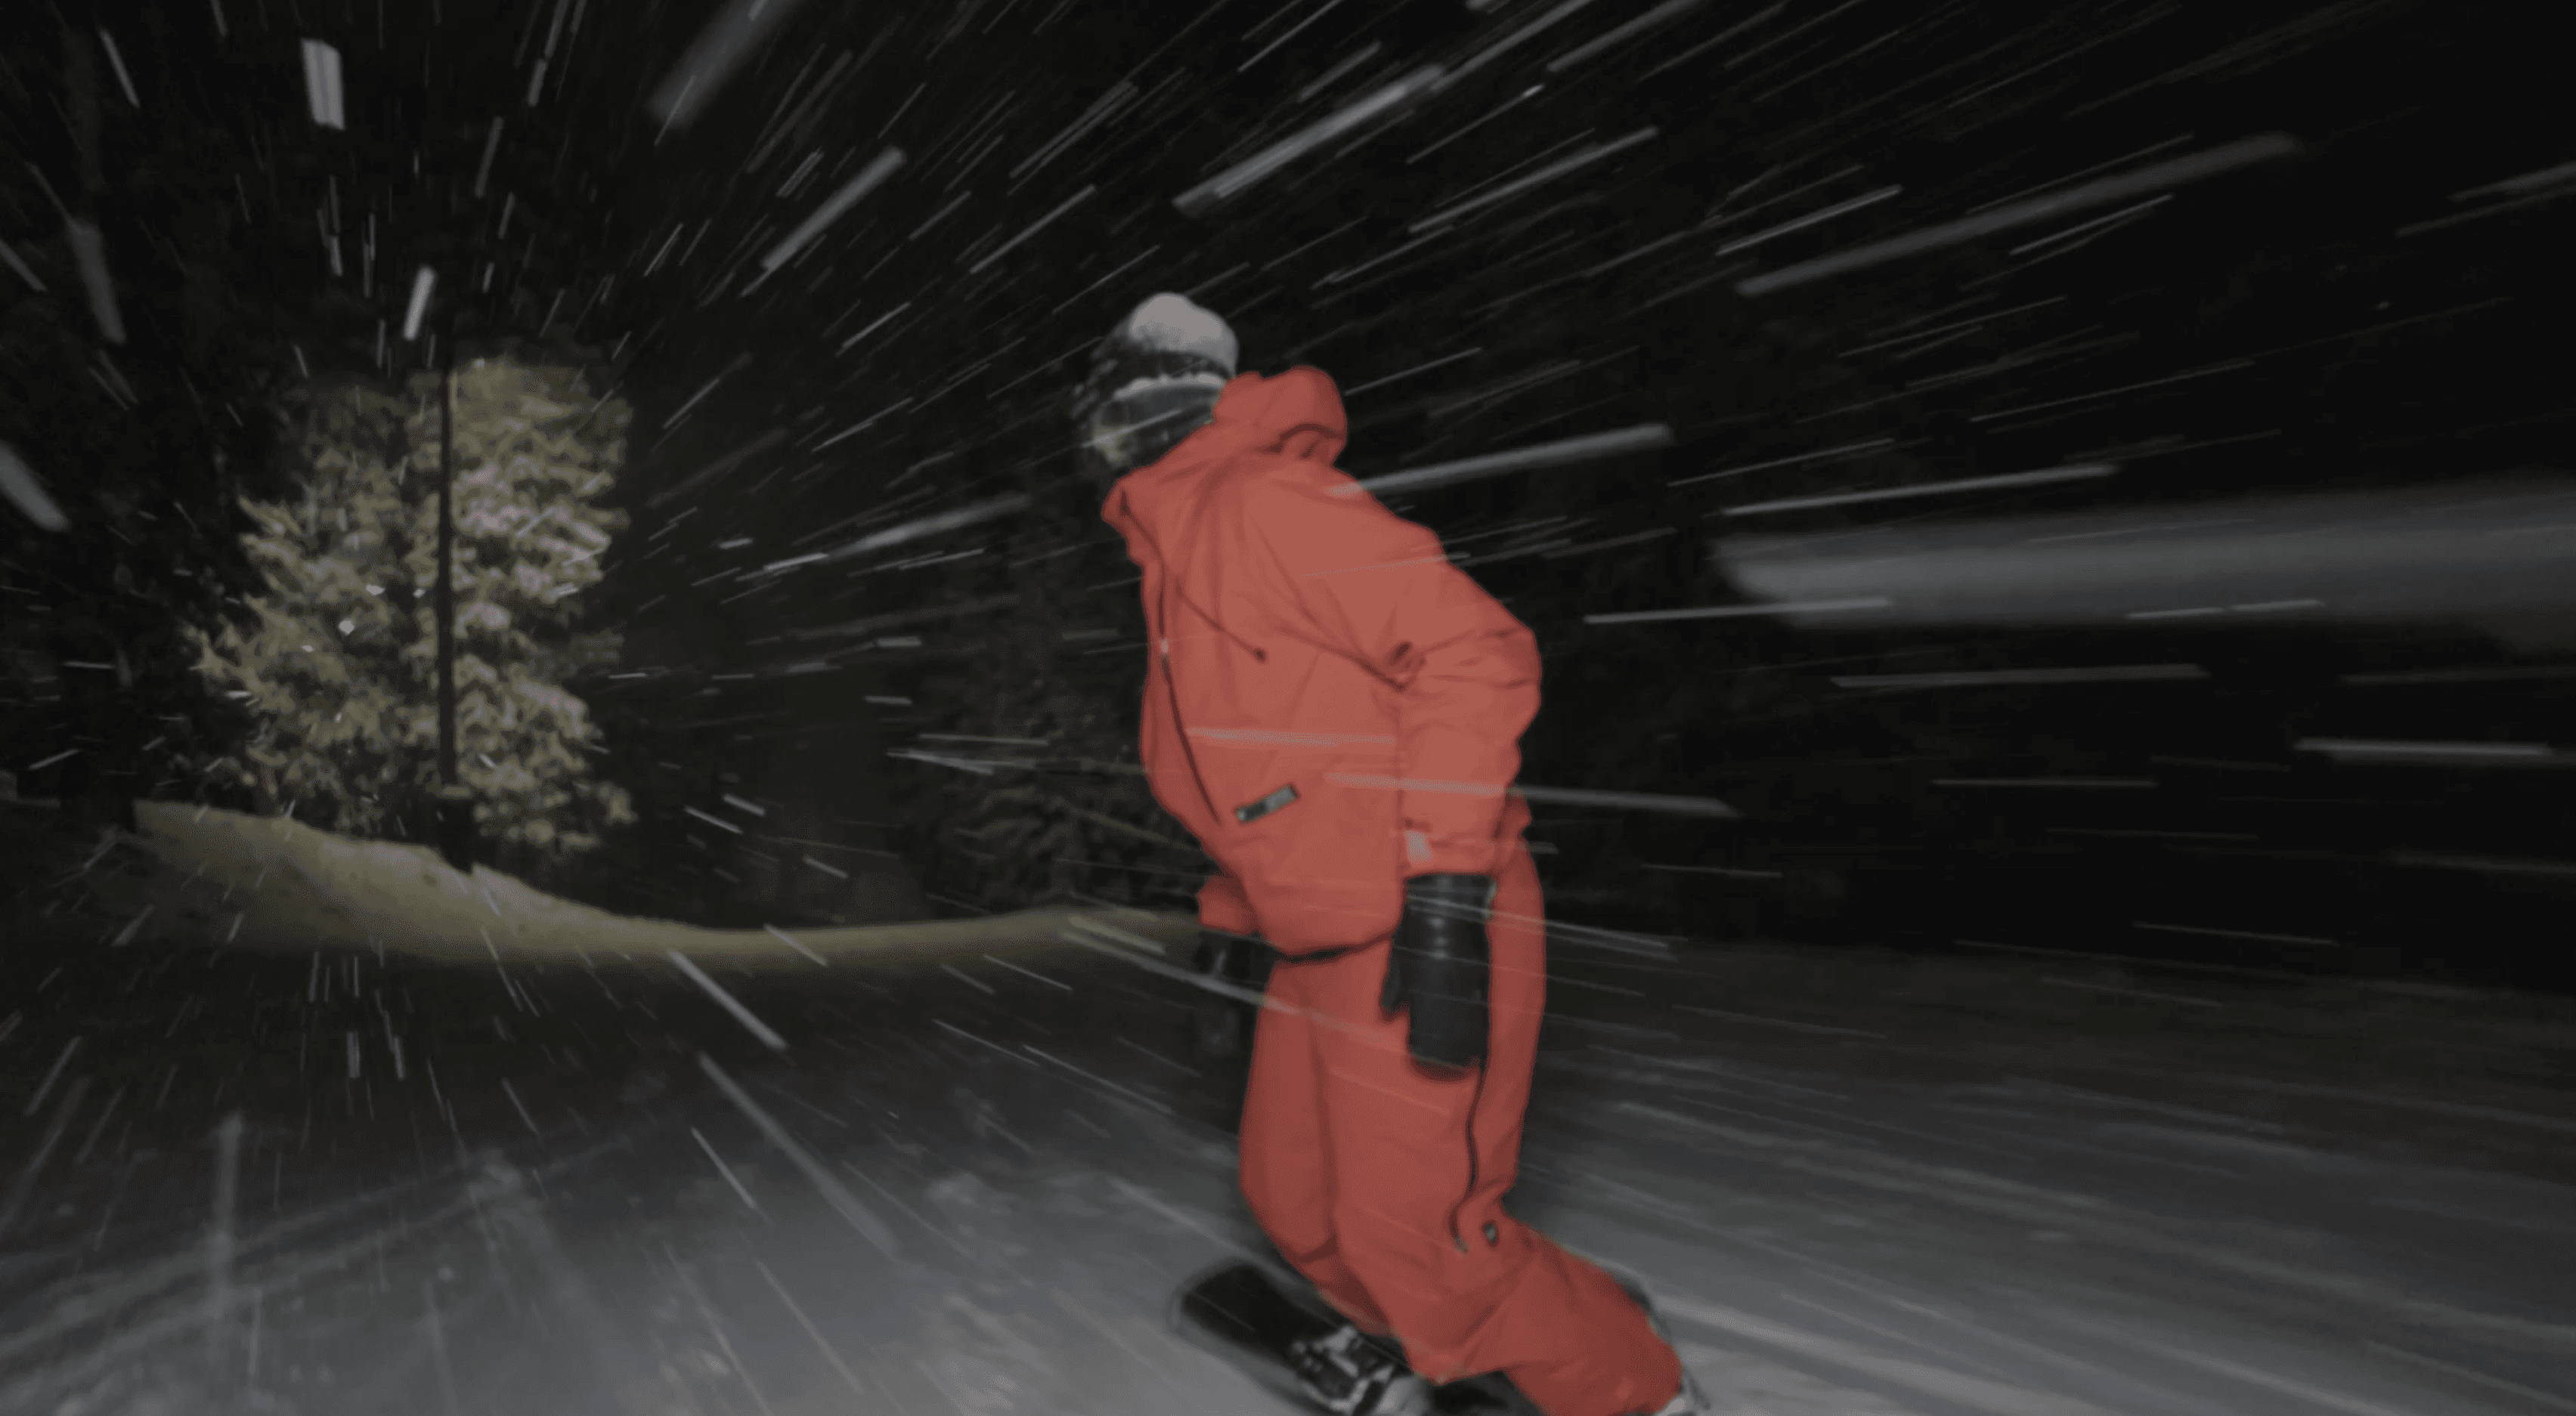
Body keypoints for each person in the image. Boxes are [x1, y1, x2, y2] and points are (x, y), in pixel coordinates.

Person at [1073, 293, 1704, 1416]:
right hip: (1314, 948)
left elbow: (1473, 651)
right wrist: (1229, 932)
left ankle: (1639, 1390)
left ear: (1156, 404)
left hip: (1421, 916)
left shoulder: (1262, 501)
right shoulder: (1171, 561)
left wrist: (1449, 892)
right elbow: (1259, 782)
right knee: (1299, 1207)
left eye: (1111, 411)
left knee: (1422, 1237)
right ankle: (1452, 1332)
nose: (1100, 438)